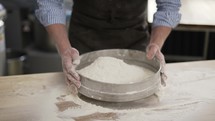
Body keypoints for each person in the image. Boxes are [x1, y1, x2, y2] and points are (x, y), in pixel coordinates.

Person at [35, 0, 181, 92]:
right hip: (83, 42)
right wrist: (65, 49)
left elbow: (169, 4)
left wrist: (156, 43)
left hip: (134, 40)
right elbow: (50, 3)